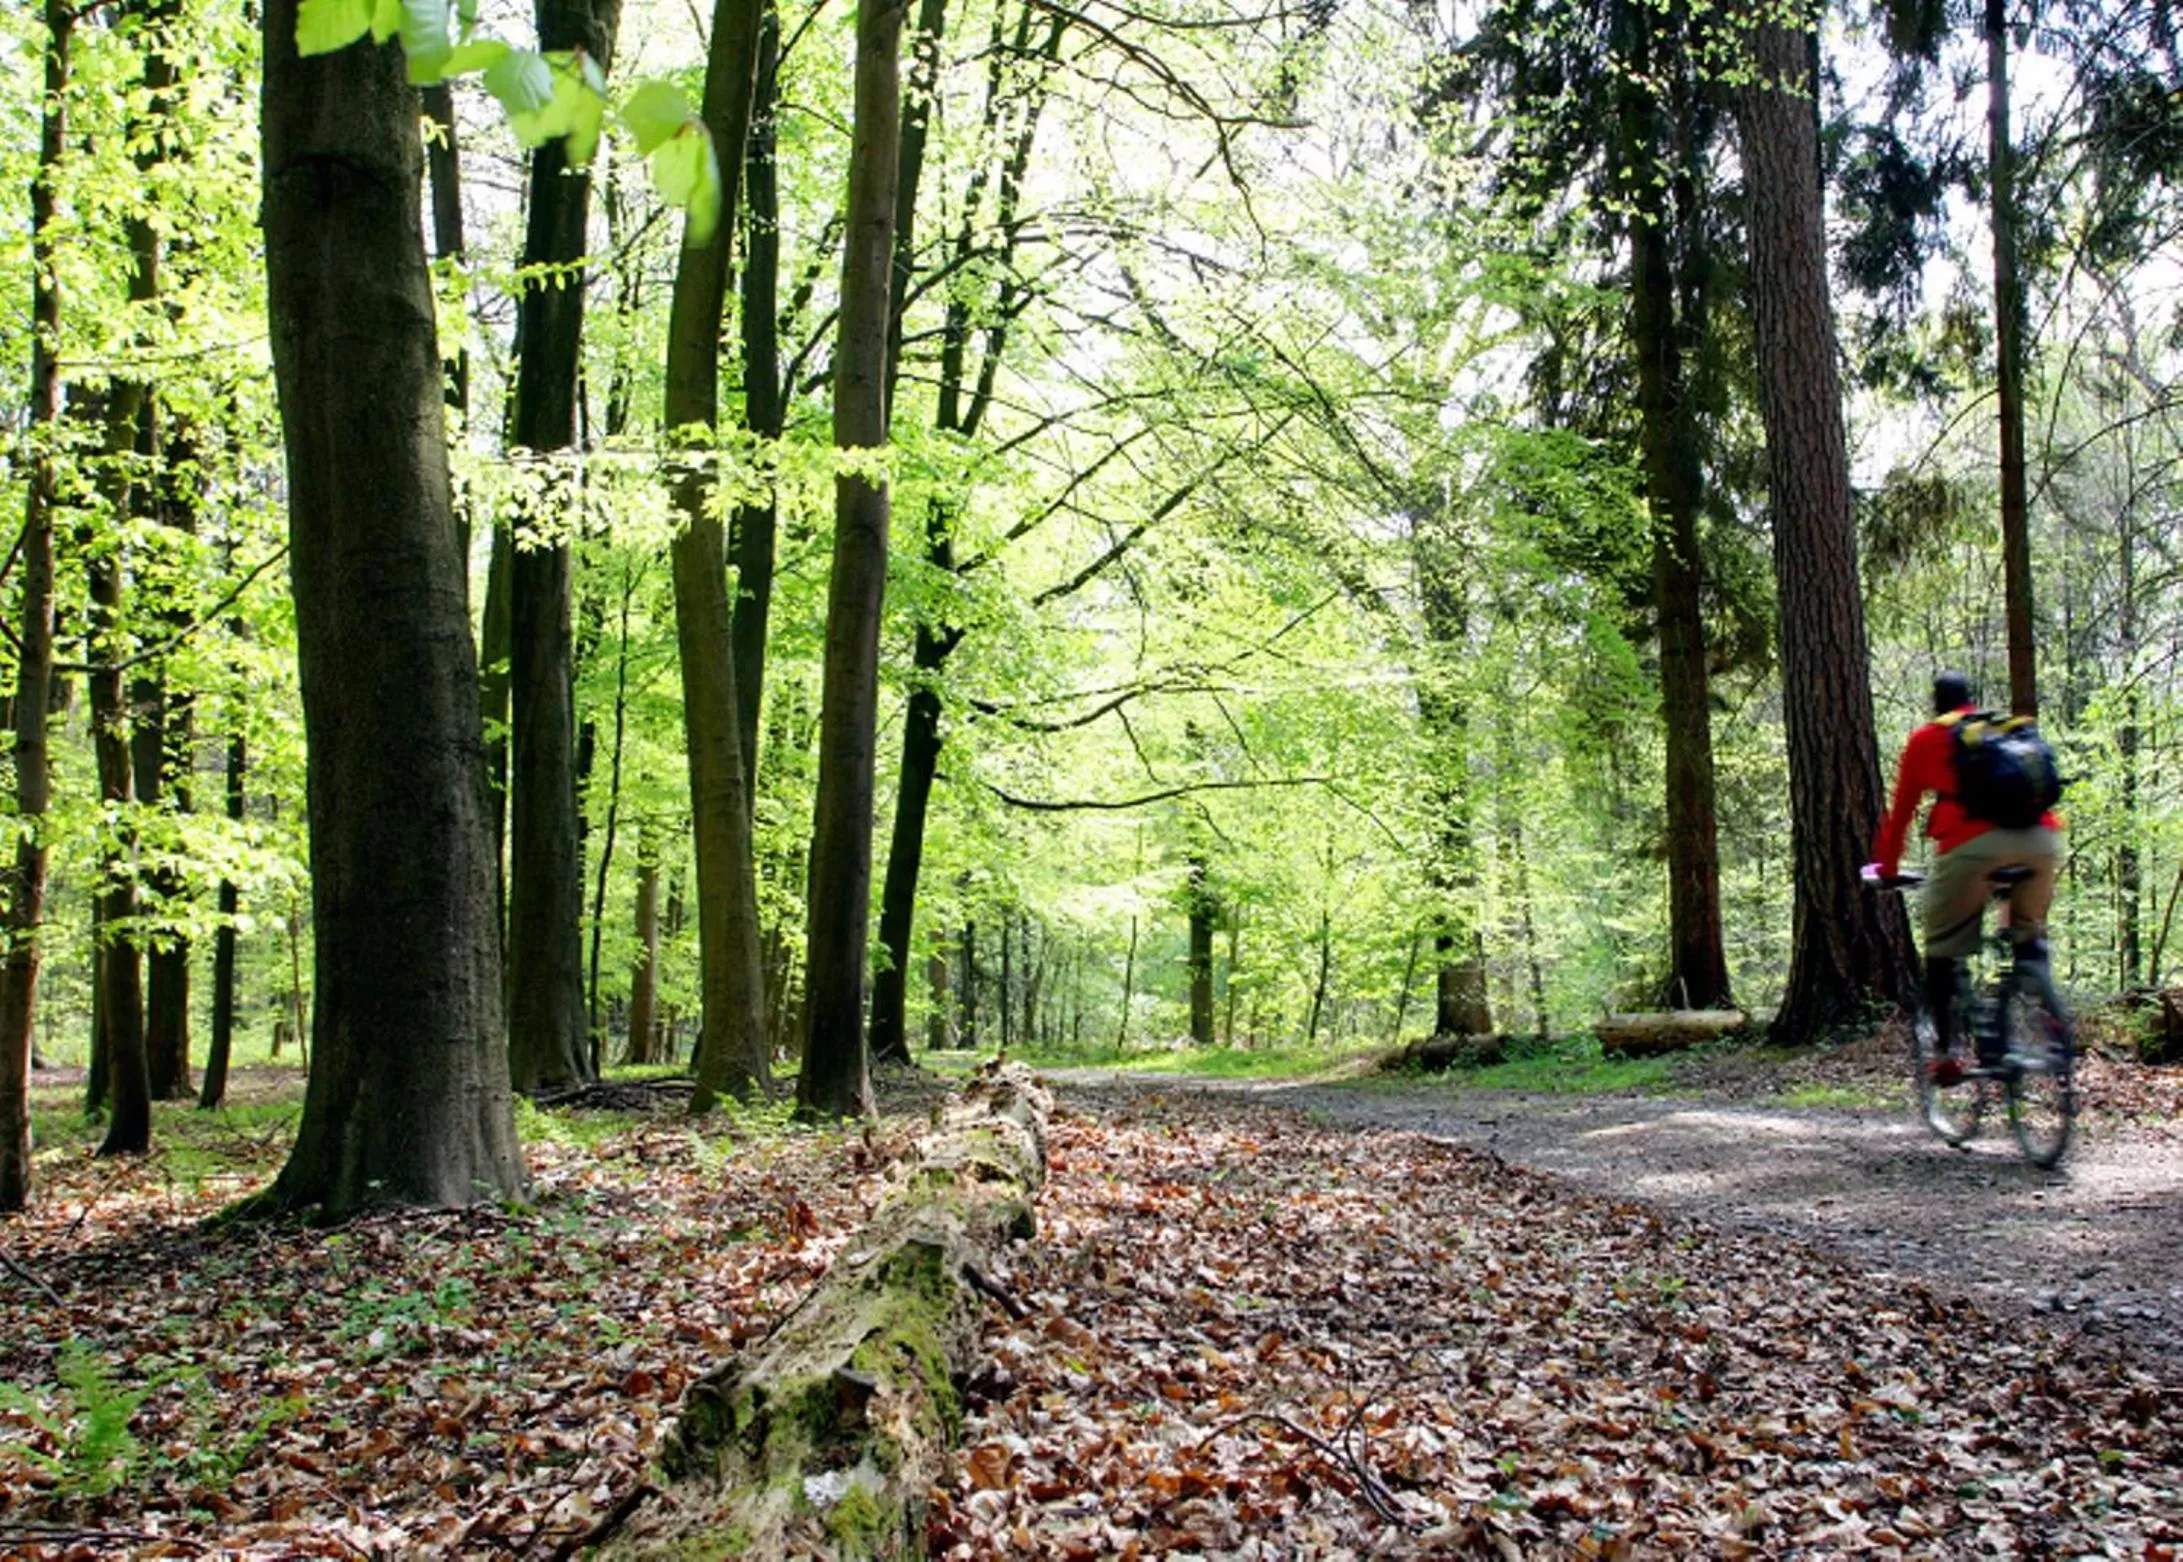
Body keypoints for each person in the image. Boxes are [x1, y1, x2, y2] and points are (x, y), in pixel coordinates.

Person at [1869, 670, 2062, 1079]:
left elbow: (1901, 814)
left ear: (1936, 702)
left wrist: (1886, 869)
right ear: (1969, 699)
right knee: (2029, 936)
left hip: (1972, 847)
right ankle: (2053, 1023)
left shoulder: (1928, 739)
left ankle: (1946, 1053)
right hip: (2042, 841)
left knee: (1942, 948)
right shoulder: (2003, 730)